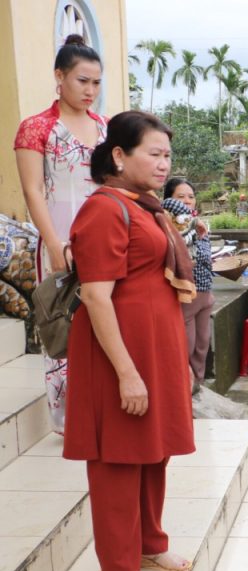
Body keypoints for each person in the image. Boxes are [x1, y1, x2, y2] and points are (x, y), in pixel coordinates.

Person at [65, 111, 196, 571]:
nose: (164, 164)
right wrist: (127, 373)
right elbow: (97, 297)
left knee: (152, 449)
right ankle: (117, 569)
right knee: (118, 459)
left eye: (168, 155)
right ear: (119, 156)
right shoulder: (104, 210)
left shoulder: (144, 206)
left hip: (153, 350)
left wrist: (174, 362)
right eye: (154, 154)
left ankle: (149, 543)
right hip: (117, 355)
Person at [14, 34, 107, 433]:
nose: (90, 90)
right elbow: (33, 190)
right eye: (82, 80)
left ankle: (101, 407)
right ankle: (67, 418)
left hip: (104, 239)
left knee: (105, 319)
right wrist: (54, 244)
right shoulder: (36, 128)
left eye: (96, 82)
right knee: (62, 322)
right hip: (59, 240)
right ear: (59, 76)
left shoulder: (105, 128)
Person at [163, 178, 212, 394]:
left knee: (202, 345)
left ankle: (197, 387)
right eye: (181, 196)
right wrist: (192, 220)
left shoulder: (197, 224)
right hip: (187, 296)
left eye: (191, 197)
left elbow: (204, 258)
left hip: (205, 293)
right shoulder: (171, 224)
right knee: (186, 346)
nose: (187, 201)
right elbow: (166, 205)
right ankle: (181, 390)